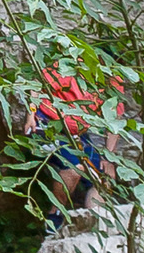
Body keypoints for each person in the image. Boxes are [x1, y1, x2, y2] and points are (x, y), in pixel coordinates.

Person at [33, 67, 116, 212]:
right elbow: (36, 83)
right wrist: (31, 113)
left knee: (105, 178)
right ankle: (55, 217)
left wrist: (108, 157)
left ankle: (94, 220)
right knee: (74, 169)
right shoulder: (73, 66)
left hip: (76, 134)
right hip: (47, 124)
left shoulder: (114, 81)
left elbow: (115, 120)